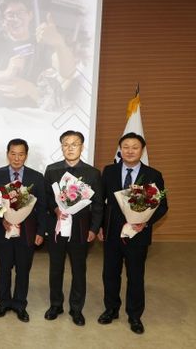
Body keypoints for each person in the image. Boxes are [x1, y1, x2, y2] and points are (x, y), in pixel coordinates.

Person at [97, 132, 168, 334]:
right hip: (112, 232)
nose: (130, 151)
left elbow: (162, 206)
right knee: (110, 273)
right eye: (126, 147)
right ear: (120, 149)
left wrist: (145, 222)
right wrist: (100, 226)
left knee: (135, 276)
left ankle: (135, 315)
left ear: (142, 150)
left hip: (138, 233)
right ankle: (111, 309)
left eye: (135, 147)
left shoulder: (153, 174)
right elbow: (101, 202)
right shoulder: (109, 171)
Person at [43, 130, 103, 326]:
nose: (70, 148)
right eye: (66, 144)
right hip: (58, 227)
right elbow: (46, 198)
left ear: (82, 147)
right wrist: (55, 209)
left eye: (74, 144)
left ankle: (76, 309)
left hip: (81, 229)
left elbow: (98, 205)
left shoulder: (93, 173)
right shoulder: (52, 170)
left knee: (78, 270)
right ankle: (55, 305)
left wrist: (94, 229)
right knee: (56, 269)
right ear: (61, 147)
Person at [0, 139, 46, 322]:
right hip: (3, 231)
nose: (16, 158)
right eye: (13, 154)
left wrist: (41, 231)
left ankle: (20, 304)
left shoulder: (36, 177)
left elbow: (42, 207)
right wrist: (1, 220)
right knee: (4, 268)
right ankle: (4, 302)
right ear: (7, 154)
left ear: (26, 155)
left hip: (27, 232)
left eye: (21, 154)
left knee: (23, 269)